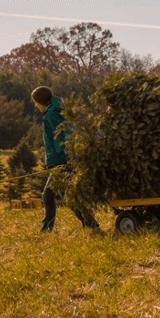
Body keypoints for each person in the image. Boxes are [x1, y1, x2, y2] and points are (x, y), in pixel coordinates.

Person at [31, 86, 99, 232]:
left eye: (35, 102)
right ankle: (90, 224)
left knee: (57, 196)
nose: (35, 106)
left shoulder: (51, 115)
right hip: (60, 161)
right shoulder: (55, 110)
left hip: (61, 161)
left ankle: (90, 224)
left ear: (41, 101)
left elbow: (64, 136)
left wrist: (68, 159)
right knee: (55, 196)